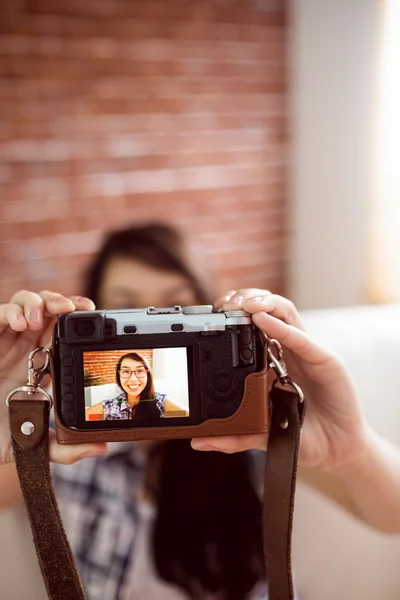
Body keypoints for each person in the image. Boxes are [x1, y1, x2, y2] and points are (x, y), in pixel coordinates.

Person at [1, 224, 400, 600]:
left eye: (175, 305)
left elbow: (392, 517)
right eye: (127, 308)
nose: (153, 326)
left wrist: (350, 446)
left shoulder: (251, 425)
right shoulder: (56, 437)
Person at [85, 352, 183, 421]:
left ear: (147, 374)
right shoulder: (110, 408)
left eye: (140, 371)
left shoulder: (160, 402)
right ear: (119, 374)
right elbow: (85, 418)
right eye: (126, 371)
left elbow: (187, 418)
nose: (133, 379)